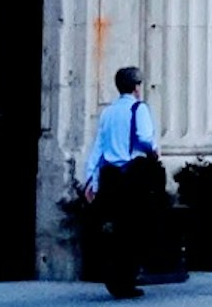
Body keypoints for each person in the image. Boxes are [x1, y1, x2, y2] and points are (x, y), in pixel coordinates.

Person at [82, 64, 163, 298]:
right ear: (137, 87)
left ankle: (115, 277)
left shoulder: (108, 112)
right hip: (133, 173)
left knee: (116, 228)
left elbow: (99, 145)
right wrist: (155, 149)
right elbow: (145, 138)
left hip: (111, 175)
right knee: (135, 228)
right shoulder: (139, 109)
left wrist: (91, 179)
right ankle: (126, 279)